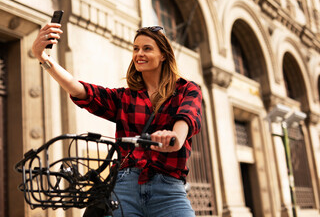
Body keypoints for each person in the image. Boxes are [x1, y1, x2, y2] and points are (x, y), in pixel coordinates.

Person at [32, 23, 202, 217]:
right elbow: (79, 89)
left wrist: (175, 138)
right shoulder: (124, 97)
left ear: (163, 55)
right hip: (124, 187)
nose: (139, 54)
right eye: (136, 48)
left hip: (169, 189)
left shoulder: (186, 89)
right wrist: (43, 57)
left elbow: (188, 117)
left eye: (147, 48)